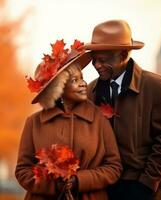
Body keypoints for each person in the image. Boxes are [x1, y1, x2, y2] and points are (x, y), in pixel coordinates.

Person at [85, 20, 161, 200]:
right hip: (100, 189)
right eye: (94, 60)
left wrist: (146, 184)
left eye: (103, 60)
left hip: (140, 189)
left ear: (123, 55)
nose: (97, 65)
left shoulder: (156, 87)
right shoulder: (90, 91)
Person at [15, 40, 122, 200]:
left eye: (82, 78)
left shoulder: (98, 119)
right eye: (74, 80)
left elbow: (114, 167)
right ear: (58, 89)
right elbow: (23, 171)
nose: (83, 84)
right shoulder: (34, 123)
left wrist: (79, 180)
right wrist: (53, 184)